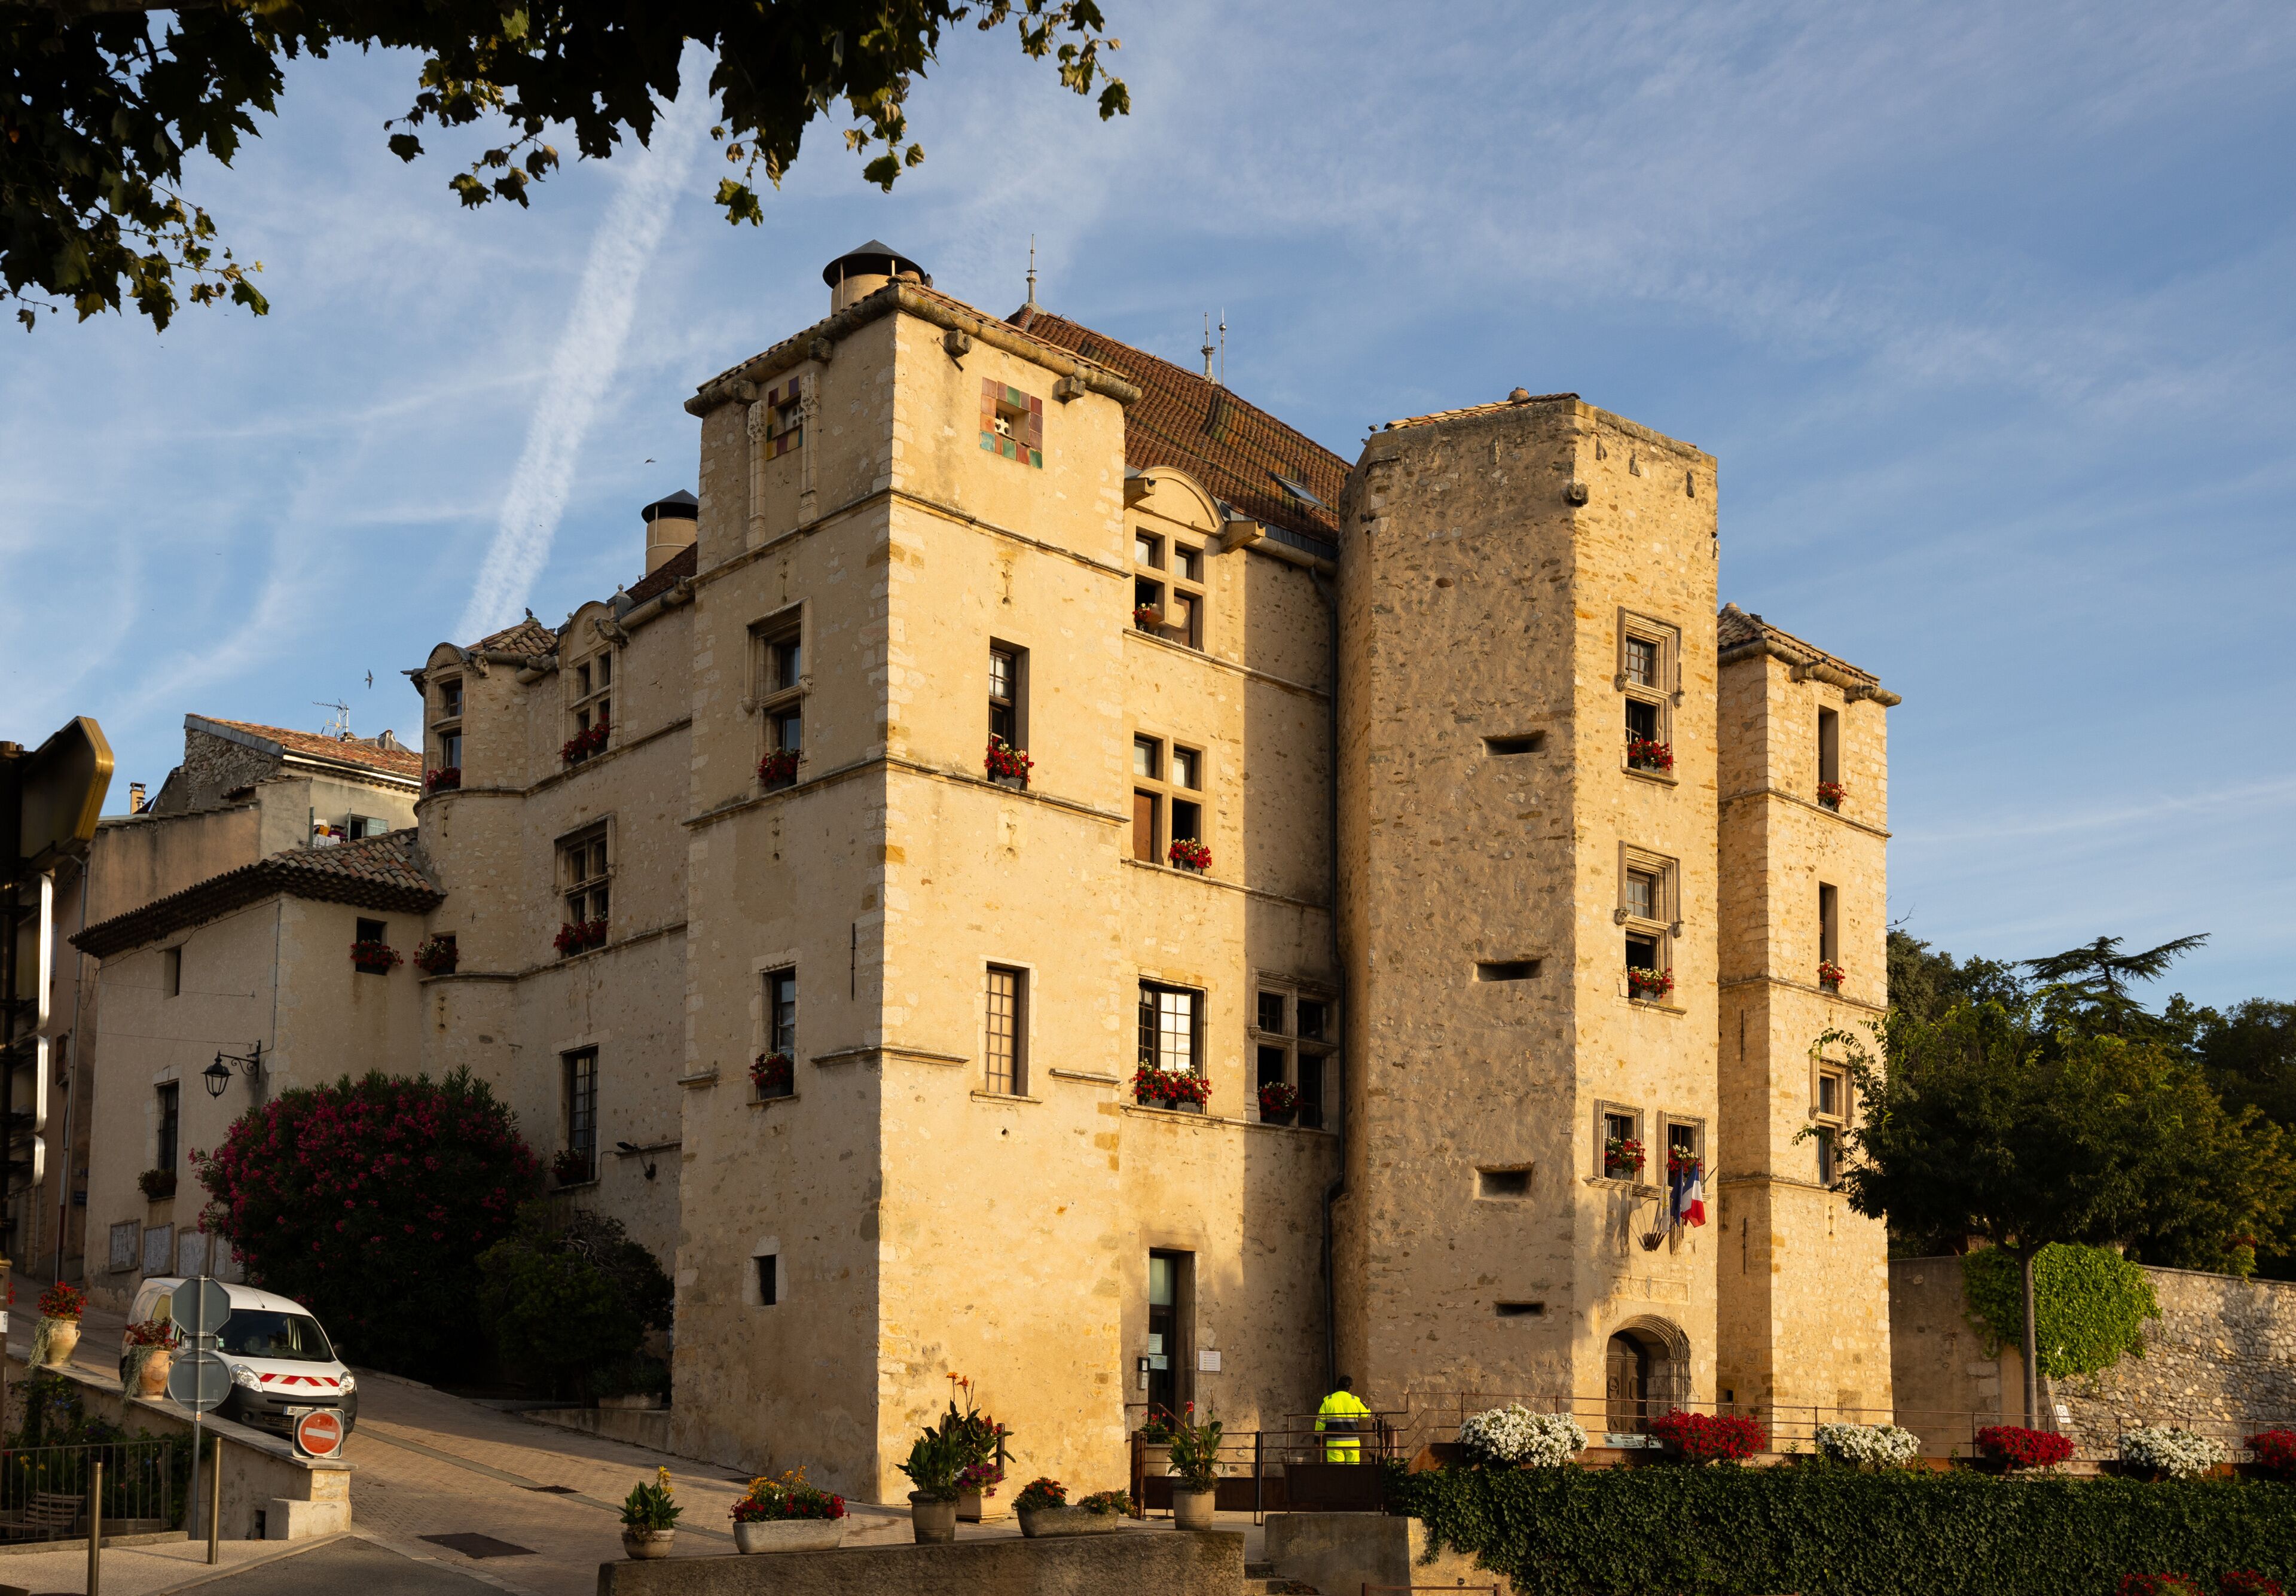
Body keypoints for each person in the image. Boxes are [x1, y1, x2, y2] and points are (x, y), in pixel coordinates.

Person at [1315, 1376, 1372, 1463]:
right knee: (1353, 1471)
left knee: (1337, 1471)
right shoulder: (1355, 1400)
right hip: (1352, 1443)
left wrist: (1318, 1440)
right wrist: (1365, 1405)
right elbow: (1368, 1414)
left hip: (1334, 1443)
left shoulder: (1328, 1401)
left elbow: (1320, 1422)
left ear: (1338, 1386)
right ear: (1350, 1388)